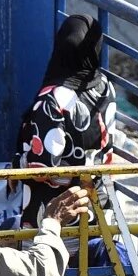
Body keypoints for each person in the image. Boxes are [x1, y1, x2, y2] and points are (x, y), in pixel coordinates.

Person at [17, 15, 116, 221]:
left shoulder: (53, 99)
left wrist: (17, 163)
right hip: (98, 211)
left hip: (57, 217)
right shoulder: (105, 86)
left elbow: (42, 167)